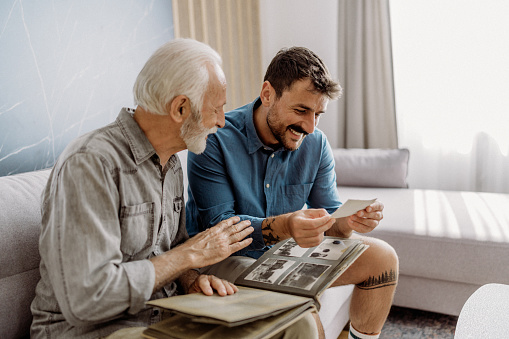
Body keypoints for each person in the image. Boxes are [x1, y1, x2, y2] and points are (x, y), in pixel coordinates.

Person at [30, 39, 317, 339]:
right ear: (180, 108)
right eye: (216, 109)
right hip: (98, 330)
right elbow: (86, 299)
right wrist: (190, 255)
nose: (222, 121)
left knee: (298, 324)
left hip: (165, 317)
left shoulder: (171, 164)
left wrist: (192, 280)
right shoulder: (91, 164)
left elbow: (172, 251)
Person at [186, 46, 399, 339]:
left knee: (383, 257)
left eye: (318, 114)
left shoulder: (316, 144)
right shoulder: (214, 140)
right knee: (303, 316)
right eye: (301, 110)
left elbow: (332, 220)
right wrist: (286, 226)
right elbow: (219, 229)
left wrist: (347, 222)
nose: (310, 126)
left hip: (287, 251)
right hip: (225, 257)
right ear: (268, 94)